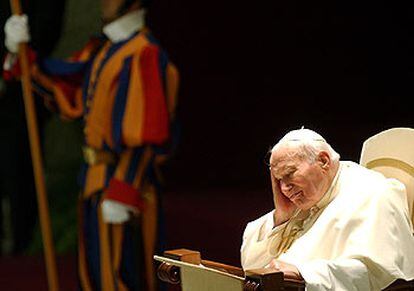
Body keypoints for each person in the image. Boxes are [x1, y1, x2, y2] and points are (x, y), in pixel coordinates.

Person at [3, 0, 179, 290]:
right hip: (95, 182)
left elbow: (150, 135)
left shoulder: (144, 54)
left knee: (124, 275)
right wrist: (21, 54)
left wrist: (124, 189)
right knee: (96, 274)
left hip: (125, 185)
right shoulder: (104, 50)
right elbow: (68, 87)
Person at [240, 128, 414, 290]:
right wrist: (281, 218)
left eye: (289, 174)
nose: (284, 188)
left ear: (323, 161)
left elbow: (375, 273)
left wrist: (302, 273)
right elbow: (250, 266)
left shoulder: (375, 193)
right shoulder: (310, 197)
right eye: (279, 180)